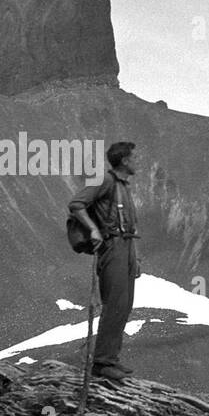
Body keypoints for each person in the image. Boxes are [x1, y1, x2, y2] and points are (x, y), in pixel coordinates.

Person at [68, 142, 141, 381]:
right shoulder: (105, 181)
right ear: (124, 161)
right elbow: (77, 204)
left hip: (126, 247)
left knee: (124, 304)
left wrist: (135, 257)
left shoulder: (122, 186)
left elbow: (130, 225)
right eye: (134, 158)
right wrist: (93, 231)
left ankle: (111, 358)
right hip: (113, 246)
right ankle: (102, 362)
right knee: (115, 303)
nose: (137, 161)